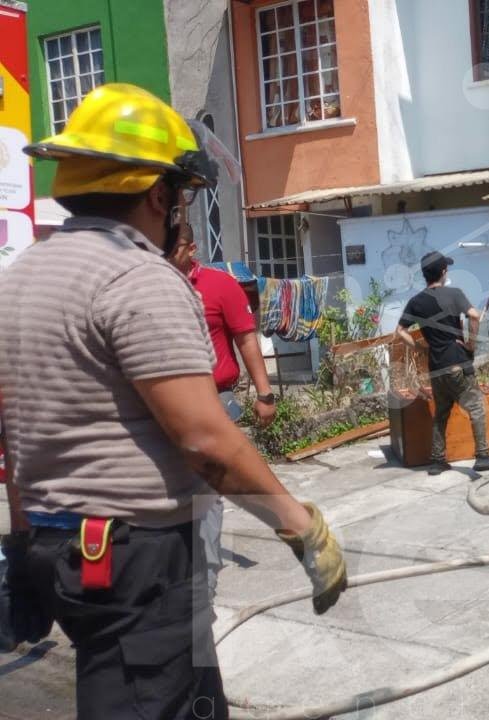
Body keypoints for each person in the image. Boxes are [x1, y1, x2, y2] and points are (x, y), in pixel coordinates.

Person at [0, 84, 347, 720]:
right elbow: (206, 443)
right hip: (134, 559)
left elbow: (12, 428)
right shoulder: (136, 278)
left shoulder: (22, 276)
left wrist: (23, 541)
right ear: (158, 194)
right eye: (180, 196)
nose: (181, 212)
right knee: (149, 701)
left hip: (63, 548)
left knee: (191, 701)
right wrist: (301, 527)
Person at [166, 223, 278, 602]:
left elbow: (246, 338)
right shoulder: (152, 285)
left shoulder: (220, 285)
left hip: (216, 400)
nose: (166, 252)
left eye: (174, 246)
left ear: (192, 247)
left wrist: (264, 393)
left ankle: (205, 575)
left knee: (206, 489)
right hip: (164, 406)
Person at [396, 251, 489, 477]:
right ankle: (483, 456)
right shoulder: (454, 294)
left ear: (424, 275)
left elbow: (400, 331)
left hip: (436, 367)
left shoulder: (416, 302)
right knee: (476, 407)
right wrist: (471, 344)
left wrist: (420, 348)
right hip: (458, 362)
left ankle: (438, 461)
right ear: (443, 272)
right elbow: (475, 316)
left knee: (441, 413)